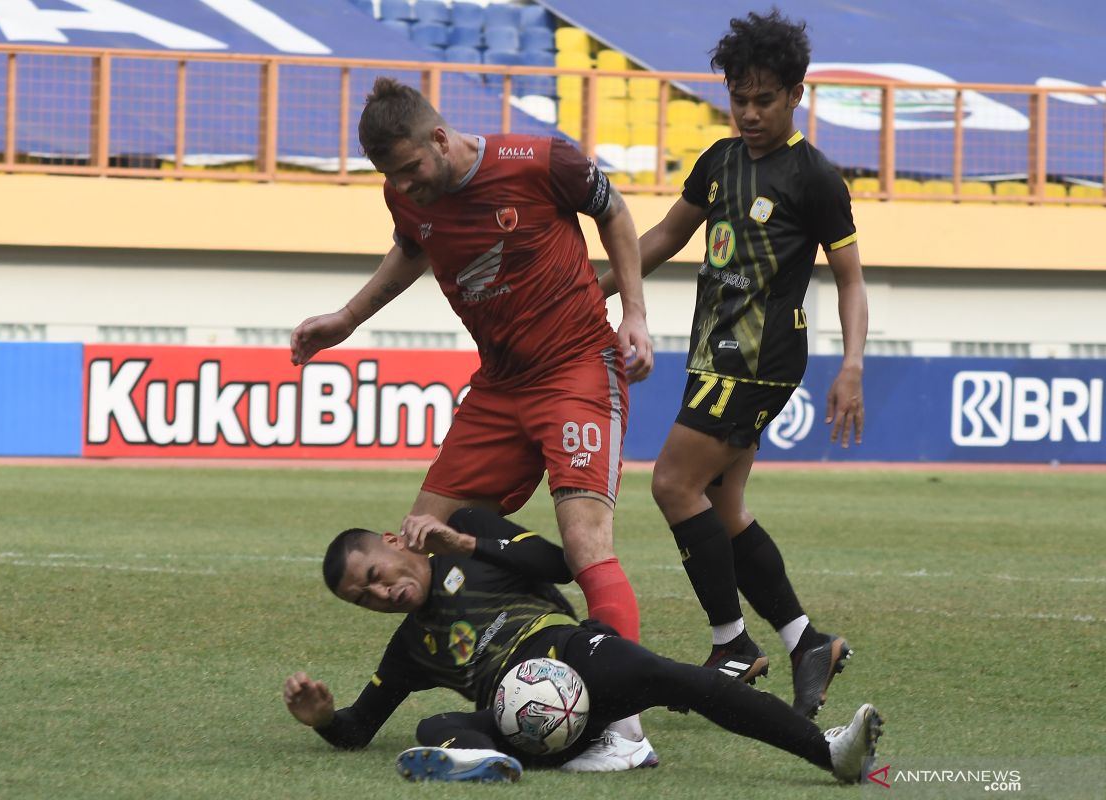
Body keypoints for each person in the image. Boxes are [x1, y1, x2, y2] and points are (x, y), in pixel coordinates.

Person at [289, 76, 656, 768]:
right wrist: (345, 319)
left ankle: (622, 726)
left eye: (410, 168)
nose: (406, 184)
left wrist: (633, 311)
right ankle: (532, 666)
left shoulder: (542, 160)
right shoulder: (405, 190)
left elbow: (616, 215)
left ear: (439, 136)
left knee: (586, 543)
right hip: (499, 387)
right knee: (418, 540)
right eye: (391, 176)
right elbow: (411, 245)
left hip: (577, 367)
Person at [599, 10, 869, 718]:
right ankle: (807, 640)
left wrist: (853, 366)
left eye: (764, 99)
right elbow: (662, 235)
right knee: (723, 506)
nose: (749, 113)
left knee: (670, 483)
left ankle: (731, 643)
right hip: (710, 353)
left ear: (795, 95)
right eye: (738, 98)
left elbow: (849, 280)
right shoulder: (718, 161)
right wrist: (592, 292)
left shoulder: (815, 178)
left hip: (759, 361)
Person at [282, 509, 883, 784]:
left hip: (571, 653)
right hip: (514, 712)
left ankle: (829, 752)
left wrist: (463, 542)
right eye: (364, 599)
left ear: (393, 541)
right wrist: (324, 719)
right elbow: (359, 726)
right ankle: (535, 756)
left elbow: (560, 564)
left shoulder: (471, 532)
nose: (381, 593)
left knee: (678, 678)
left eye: (377, 574)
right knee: (435, 724)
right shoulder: (408, 650)